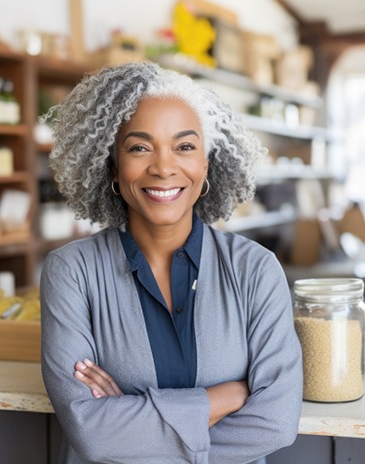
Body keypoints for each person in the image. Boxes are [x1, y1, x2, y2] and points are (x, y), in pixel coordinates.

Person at [40, 61, 303, 464]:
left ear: (206, 166)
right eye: (139, 147)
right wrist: (227, 396)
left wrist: (130, 423)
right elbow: (91, 433)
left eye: (184, 146)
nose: (164, 167)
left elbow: (277, 422)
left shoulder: (256, 270)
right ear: (112, 165)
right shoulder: (71, 272)